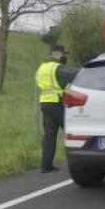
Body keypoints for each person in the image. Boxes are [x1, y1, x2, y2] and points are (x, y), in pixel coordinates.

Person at [35, 44, 75, 173]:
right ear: (56, 53)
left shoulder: (42, 67)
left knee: (49, 136)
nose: (64, 57)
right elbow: (73, 75)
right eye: (63, 54)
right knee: (71, 131)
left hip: (44, 103)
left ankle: (46, 165)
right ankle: (80, 162)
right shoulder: (57, 68)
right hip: (56, 103)